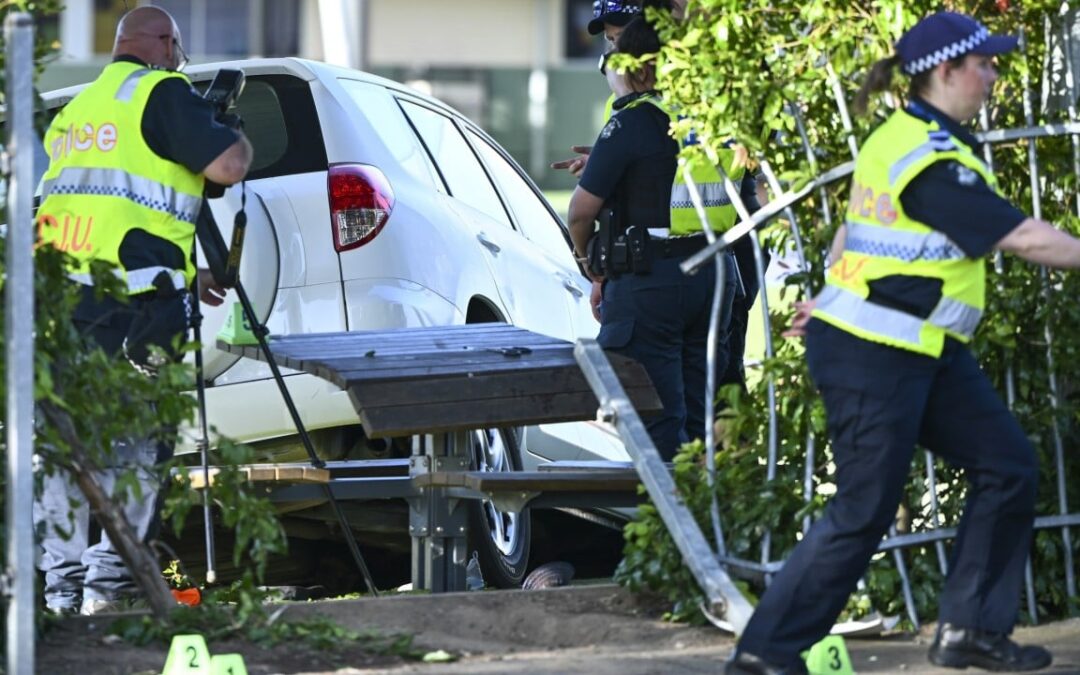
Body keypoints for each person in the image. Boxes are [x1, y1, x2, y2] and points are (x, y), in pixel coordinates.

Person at [727, 12, 1068, 674]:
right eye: (985, 65)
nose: (993, 77)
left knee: (1008, 463)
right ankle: (764, 654)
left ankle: (968, 629)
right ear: (946, 71)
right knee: (863, 508)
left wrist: (828, 292)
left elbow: (854, 231)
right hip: (874, 350)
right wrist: (835, 304)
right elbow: (1023, 237)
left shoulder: (920, 139)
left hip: (919, 346)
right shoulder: (928, 155)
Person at [33, 5, 252, 616]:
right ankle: (110, 586)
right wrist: (230, 126)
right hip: (139, 310)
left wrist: (195, 270)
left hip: (65, 305)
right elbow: (227, 167)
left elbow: (109, 210)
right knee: (138, 449)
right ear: (161, 43)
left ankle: (58, 590)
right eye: (177, 50)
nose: (180, 62)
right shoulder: (163, 90)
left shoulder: (75, 111)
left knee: (66, 448)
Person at [567, 17, 758, 460]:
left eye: (616, 59)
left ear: (643, 68)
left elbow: (580, 213)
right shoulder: (715, 121)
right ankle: (705, 517)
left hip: (652, 280)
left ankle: (667, 526)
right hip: (713, 275)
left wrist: (588, 263)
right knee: (697, 415)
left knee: (656, 421)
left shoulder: (633, 122)